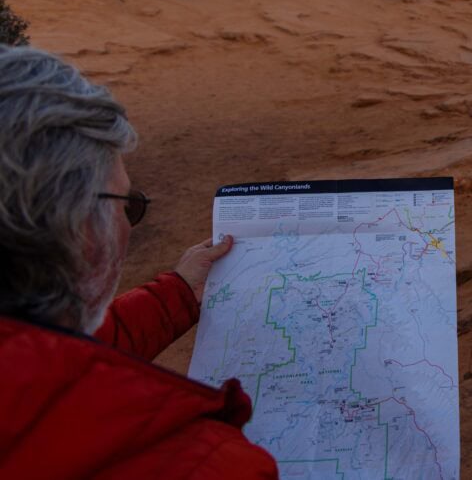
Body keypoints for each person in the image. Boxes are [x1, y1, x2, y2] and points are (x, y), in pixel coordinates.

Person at [0, 45, 278, 478]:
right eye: (127, 204)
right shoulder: (202, 464)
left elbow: (39, 363)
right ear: (80, 228)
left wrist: (179, 292)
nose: (129, 223)